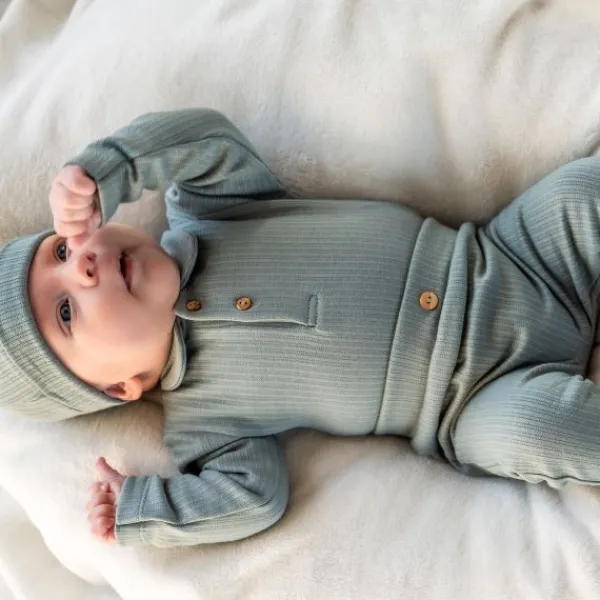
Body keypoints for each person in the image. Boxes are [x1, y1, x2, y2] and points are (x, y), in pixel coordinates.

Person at [1, 108, 600, 548]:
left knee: (582, 190)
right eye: (65, 312)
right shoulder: (203, 425)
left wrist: (106, 171)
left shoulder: (214, 210)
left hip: (508, 257)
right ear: (120, 387)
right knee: (538, 431)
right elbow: (253, 497)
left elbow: (207, 139)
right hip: (471, 400)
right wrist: (143, 510)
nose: (81, 266)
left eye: (60, 251)